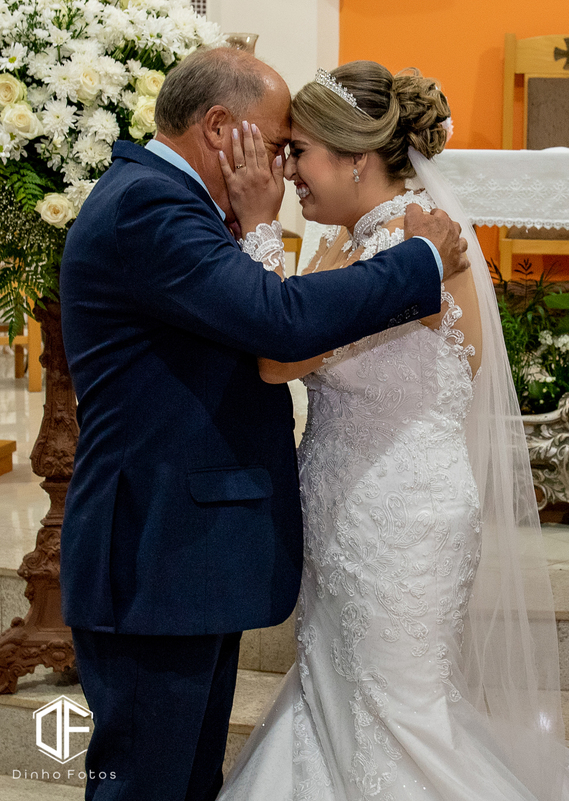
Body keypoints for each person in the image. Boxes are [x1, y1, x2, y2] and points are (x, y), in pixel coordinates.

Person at [215, 62, 569, 801]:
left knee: (400, 718)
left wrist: (261, 227)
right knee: (343, 704)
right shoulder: (346, 242)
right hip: (343, 516)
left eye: (300, 152)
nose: (288, 169)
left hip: (400, 523)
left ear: (357, 157)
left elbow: (278, 355)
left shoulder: (420, 241)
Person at [59, 47, 470, 801]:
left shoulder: (172, 202)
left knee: (184, 779)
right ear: (220, 127)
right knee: (146, 782)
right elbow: (278, 323)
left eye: (292, 150)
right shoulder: (151, 206)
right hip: (156, 554)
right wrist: (417, 261)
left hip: (189, 553)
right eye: (277, 143)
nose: (281, 166)